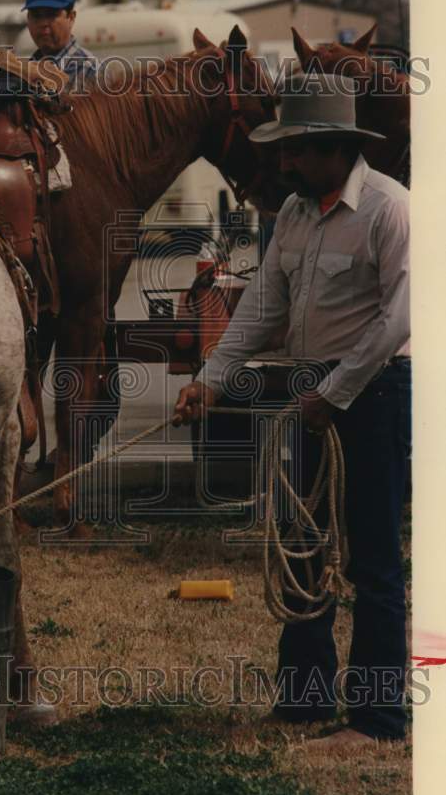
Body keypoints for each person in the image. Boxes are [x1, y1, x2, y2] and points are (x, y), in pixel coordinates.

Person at [174, 73, 411, 752]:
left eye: (295, 151)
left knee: (370, 559)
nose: (282, 163)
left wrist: (332, 394)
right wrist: (211, 379)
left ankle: (375, 719)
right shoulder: (295, 216)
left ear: (335, 148)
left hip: (373, 390)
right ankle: (304, 701)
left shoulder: (390, 211)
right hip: (312, 391)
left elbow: (398, 319)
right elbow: (261, 310)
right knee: (302, 550)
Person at [22, 0, 97, 92]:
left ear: (71, 17)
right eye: (36, 15)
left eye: (51, 14)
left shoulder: (91, 72)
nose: (43, 23)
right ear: (28, 19)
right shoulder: (23, 72)